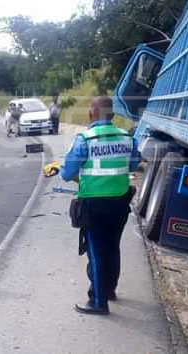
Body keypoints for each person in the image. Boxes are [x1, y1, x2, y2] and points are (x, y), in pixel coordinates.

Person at [59, 96, 139, 315]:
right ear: (112, 115)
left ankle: (97, 301)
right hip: (120, 202)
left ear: (91, 113)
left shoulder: (85, 139)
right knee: (113, 248)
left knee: (96, 253)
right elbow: (132, 166)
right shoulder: (127, 138)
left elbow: (66, 173)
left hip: (94, 204)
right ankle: (109, 290)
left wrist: (80, 177)